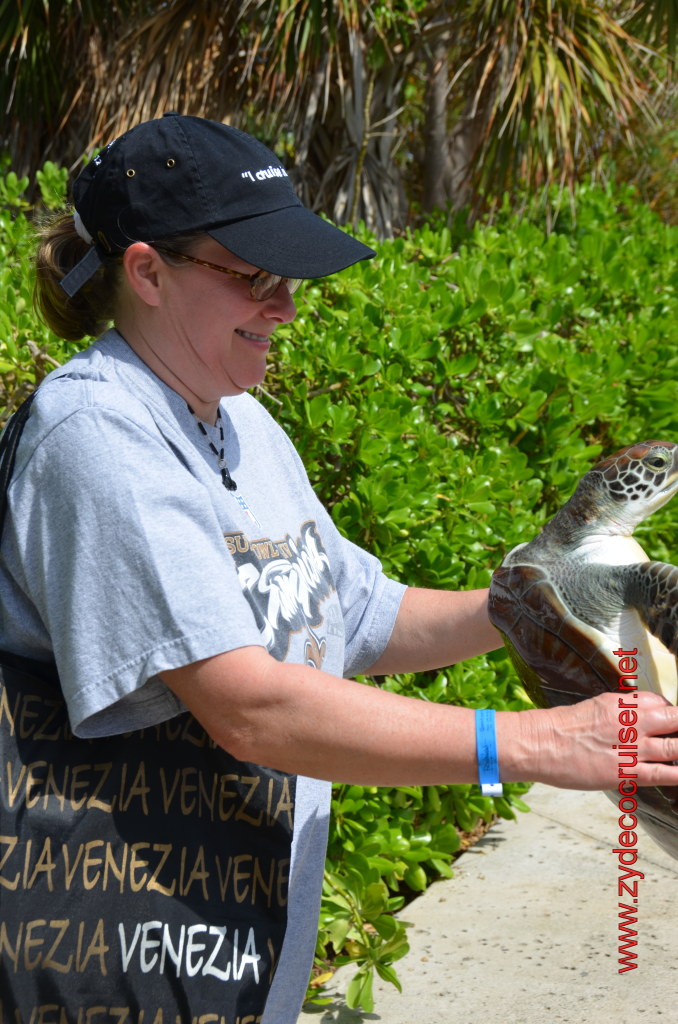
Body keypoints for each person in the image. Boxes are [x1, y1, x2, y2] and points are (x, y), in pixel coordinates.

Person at [1, 112, 678, 1022]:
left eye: (286, 278)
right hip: (112, 964)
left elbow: (357, 617)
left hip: (232, 956)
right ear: (147, 272)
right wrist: (528, 746)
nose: (282, 306)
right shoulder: (100, 436)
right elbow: (250, 705)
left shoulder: (242, 422)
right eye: (252, 278)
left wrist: (529, 591)